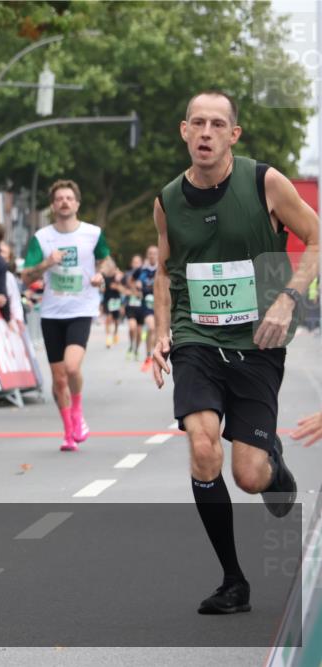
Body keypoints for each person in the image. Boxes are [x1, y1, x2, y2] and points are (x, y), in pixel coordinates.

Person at [150, 90, 319, 615]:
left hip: (259, 343)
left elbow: (317, 237)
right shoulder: (167, 199)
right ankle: (233, 580)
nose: (206, 133)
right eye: (197, 123)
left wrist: (288, 301)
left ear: (233, 134)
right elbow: (164, 269)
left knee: (248, 476)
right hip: (196, 338)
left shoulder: (264, 182)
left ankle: (275, 467)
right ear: (184, 131)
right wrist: (161, 331)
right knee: (203, 446)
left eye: (217, 124)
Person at [21, 179, 110, 452]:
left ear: (77, 203)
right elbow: (26, 276)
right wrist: (48, 262)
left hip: (81, 308)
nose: (64, 202)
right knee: (58, 378)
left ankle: (78, 413)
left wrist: (100, 274)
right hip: (51, 312)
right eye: (59, 198)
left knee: (72, 368)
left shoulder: (93, 234)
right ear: (52, 205)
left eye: (69, 198)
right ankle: (69, 431)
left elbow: (107, 260)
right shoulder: (42, 237)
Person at [134, 245, 159, 371]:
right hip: (147, 305)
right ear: (147, 255)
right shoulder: (142, 271)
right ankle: (149, 356)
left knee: (156, 332)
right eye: (150, 253)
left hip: (160, 306)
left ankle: (154, 356)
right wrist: (137, 286)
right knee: (151, 327)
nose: (152, 255)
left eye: (155, 253)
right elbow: (135, 282)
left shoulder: (162, 269)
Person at [123, 254, 144, 360]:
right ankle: (131, 345)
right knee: (132, 327)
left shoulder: (145, 274)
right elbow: (122, 289)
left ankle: (136, 349)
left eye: (138, 262)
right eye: (134, 262)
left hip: (141, 307)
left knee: (139, 331)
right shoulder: (127, 275)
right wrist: (131, 291)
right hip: (130, 305)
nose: (136, 264)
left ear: (141, 263)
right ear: (132, 264)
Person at [100, 259, 123, 348]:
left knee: (116, 320)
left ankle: (115, 333)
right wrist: (102, 288)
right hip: (107, 300)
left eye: (110, 265)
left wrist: (117, 286)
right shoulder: (104, 276)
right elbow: (101, 288)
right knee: (108, 318)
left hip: (116, 300)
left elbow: (123, 287)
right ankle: (108, 337)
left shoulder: (117, 275)